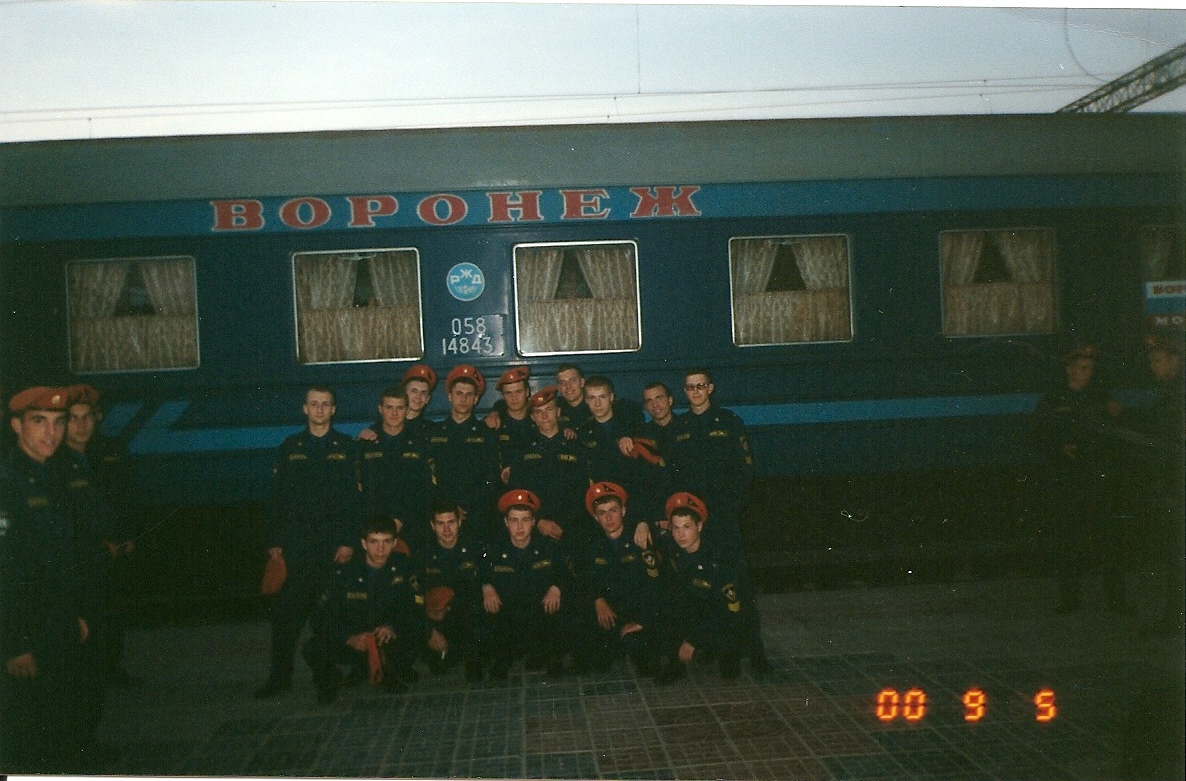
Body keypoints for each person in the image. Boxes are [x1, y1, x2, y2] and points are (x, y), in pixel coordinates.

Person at [1, 387, 109, 771]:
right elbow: (7, 571)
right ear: (17, 426)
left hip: (59, 622)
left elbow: (64, 556)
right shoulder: (9, 483)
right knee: (32, 737)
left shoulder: (52, 474)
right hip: (29, 631)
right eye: (39, 422)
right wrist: (16, 644)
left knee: (64, 722)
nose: (52, 433)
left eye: (58, 423)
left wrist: (76, 614)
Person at [255, 386, 362, 699]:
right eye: (314, 404)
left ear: (333, 410)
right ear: (305, 409)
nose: (319, 409)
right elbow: (276, 498)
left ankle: (326, 678)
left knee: (327, 616)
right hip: (297, 546)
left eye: (325, 404)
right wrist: (275, 542)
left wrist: (348, 541)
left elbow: (354, 500)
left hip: (332, 546)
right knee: (285, 617)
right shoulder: (291, 447)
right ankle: (279, 677)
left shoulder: (346, 447)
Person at [303, 516, 437, 704]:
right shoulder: (345, 573)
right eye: (374, 542)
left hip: (386, 637)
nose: (380, 549)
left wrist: (392, 626)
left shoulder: (405, 567)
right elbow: (320, 618)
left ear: (395, 543)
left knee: (418, 627)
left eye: (386, 542)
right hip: (355, 639)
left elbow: (415, 607)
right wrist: (349, 638)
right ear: (363, 544)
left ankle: (392, 670)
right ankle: (329, 680)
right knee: (313, 647)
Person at [1032, 343, 1124, 613]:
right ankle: (1069, 601)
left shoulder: (1100, 397)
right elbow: (1038, 436)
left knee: (1108, 542)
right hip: (1068, 483)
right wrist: (1061, 447)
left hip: (1097, 480)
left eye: (1091, 369)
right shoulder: (1052, 400)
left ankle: (1116, 601)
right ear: (1069, 370)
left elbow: (1116, 434)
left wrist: (1119, 413)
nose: (1088, 374)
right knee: (1069, 543)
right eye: (1083, 368)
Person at [64, 383, 140, 688]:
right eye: (73, 418)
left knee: (114, 610)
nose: (82, 425)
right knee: (84, 614)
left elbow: (126, 497)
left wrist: (127, 536)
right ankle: (89, 673)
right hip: (83, 554)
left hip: (115, 548)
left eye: (88, 417)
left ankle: (112, 667)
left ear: (98, 417)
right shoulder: (55, 460)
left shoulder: (110, 450)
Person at [1123, 332, 1184, 635]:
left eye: (1158, 360)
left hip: (1178, 490)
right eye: (1151, 361)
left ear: (1175, 361)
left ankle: (1175, 620)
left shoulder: (1178, 397)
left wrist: (1172, 491)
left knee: (1177, 558)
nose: (1153, 366)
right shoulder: (1172, 394)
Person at [653, 492, 748, 685]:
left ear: (699, 526)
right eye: (676, 528)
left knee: (728, 667)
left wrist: (693, 641)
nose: (681, 535)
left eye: (687, 527)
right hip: (695, 615)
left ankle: (722, 655)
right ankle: (676, 665)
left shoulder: (717, 561)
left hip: (722, 620)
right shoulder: (674, 552)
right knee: (668, 608)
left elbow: (728, 612)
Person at [480, 489, 571, 679]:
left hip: (540, 611)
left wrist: (556, 588)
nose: (520, 527)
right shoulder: (494, 549)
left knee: (560, 605)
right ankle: (501, 658)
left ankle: (552, 657)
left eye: (525, 520)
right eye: (514, 520)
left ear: (534, 522)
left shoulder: (547, 547)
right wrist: (486, 587)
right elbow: (480, 573)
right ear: (506, 522)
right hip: (509, 613)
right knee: (486, 608)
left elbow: (564, 571)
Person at [576, 481, 665, 675]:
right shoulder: (592, 544)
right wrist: (598, 600)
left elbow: (655, 586)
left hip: (639, 611)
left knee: (645, 664)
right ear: (595, 517)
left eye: (613, 510)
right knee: (594, 662)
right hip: (610, 612)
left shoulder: (639, 541)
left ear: (623, 511)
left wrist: (642, 621)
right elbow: (586, 578)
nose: (609, 518)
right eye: (602, 513)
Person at [506, 386, 592, 559]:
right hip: (534, 530)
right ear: (532, 417)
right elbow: (517, 491)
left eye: (549, 410)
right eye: (538, 412)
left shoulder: (576, 446)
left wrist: (563, 524)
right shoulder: (521, 449)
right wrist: (539, 521)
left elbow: (582, 491)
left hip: (572, 529)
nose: (544, 416)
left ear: (558, 412)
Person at [579, 375, 666, 533]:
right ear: (586, 401)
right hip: (604, 511)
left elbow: (649, 477)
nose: (597, 403)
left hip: (635, 507)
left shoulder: (631, 426)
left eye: (602, 397)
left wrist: (644, 519)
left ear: (612, 397)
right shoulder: (583, 433)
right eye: (592, 398)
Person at [426, 365, 501, 542]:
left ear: (476, 399)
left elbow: (491, 478)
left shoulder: (486, 434)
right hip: (442, 518)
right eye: (459, 393)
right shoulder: (433, 433)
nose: (463, 399)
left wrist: (468, 508)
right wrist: (450, 509)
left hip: (477, 517)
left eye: (469, 395)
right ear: (450, 396)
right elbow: (428, 477)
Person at [412, 499, 486, 681]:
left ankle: (473, 657)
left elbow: (484, 580)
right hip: (436, 616)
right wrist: (429, 630)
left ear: (459, 522)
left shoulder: (475, 548)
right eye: (440, 523)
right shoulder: (423, 554)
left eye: (451, 522)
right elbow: (414, 595)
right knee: (437, 668)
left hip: (467, 612)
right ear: (432, 525)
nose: (446, 529)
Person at [359, 385, 433, 553]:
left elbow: (425, 488)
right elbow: (360, 489)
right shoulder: (365, 444)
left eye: (399, 408)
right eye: (389, 407)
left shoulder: (420, 444)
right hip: (374, 528)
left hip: (412, 527)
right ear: (380, 409)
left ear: (406, 410)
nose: (394, 413)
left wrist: (401, 519)